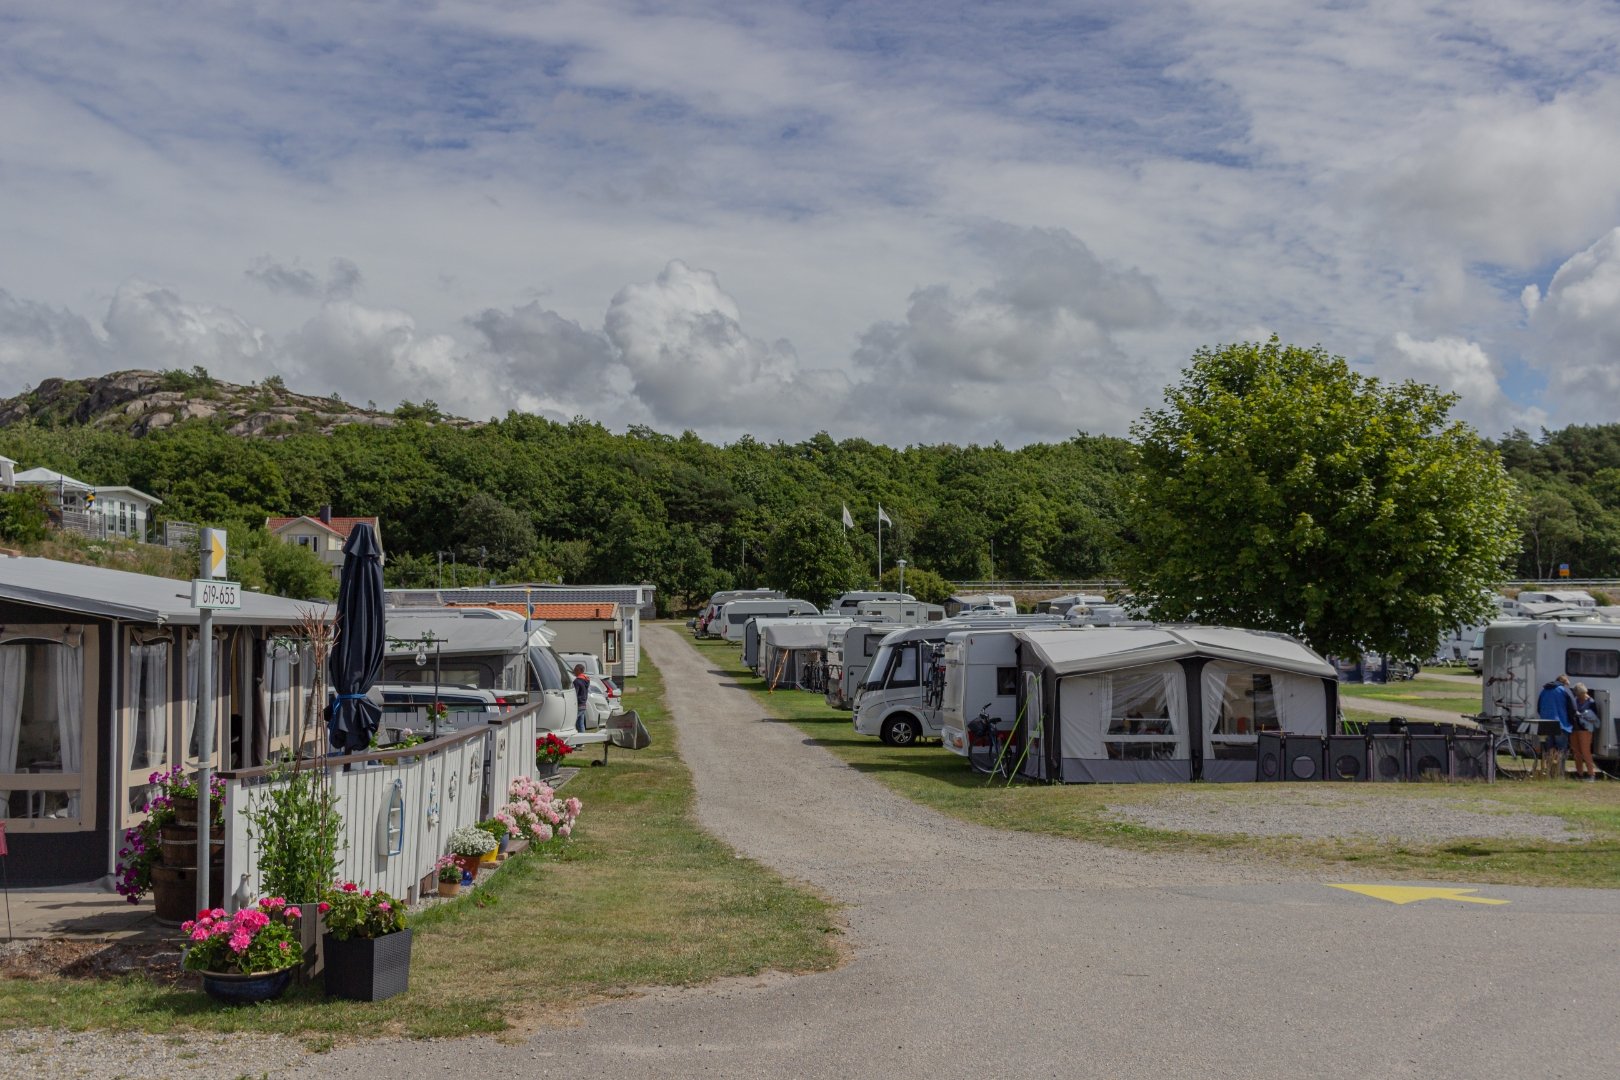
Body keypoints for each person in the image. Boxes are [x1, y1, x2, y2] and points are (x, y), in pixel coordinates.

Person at [1535, 674, 1577, 778]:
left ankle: (1549, 774)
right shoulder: (1564, 690)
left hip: (1545, 724)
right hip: (1561, 724)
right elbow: (1573, 708)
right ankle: (1559, 774)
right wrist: (1572, 721)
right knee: (1561, 751)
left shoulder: (1544, 691)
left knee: (1548, 751)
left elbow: (1539, 708)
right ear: (1565, 682)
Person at [1572, 683, 1601, 781]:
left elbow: (1595, 717)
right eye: (1579, 694)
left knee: (1585, 752)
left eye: (1582, 694)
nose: (1580, 696)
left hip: (1585, 729)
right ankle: (1579, 773)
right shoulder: (1575, 700)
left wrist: (1584, 716)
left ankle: (1591, 774)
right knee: (1576, 753)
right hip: (1575, 728)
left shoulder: (1591, 702)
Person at [572, 663, 591, 733]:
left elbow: (574, 694)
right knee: (581, 724)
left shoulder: (577, 681)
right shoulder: (586, 680)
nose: (573, 671)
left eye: (575, 670)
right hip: (583, 704)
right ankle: (582, 741)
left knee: (571, 722)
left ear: (578, 670)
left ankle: (576, 740)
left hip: (578, 705)